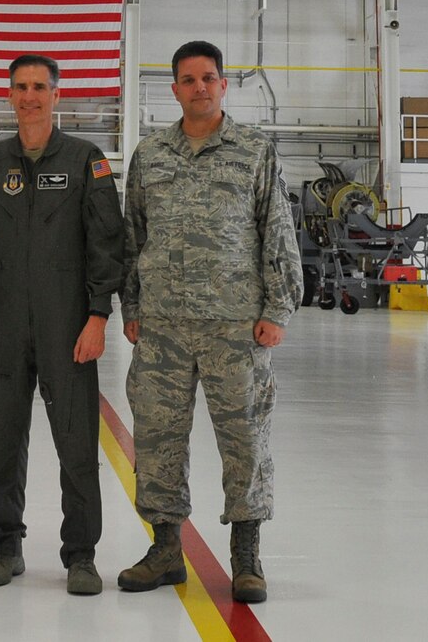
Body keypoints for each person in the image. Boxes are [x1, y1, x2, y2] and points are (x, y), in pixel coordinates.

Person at [117, 40, 298, 604]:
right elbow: (132, 237)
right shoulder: (149, 155)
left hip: (235, 327)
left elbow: (277, 230)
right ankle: (165, 549)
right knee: (156, 437)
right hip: (163, 328)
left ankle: (246, 557)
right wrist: (134, 307)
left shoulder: (254, 150)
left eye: (209, 78)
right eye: (188, 79)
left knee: (244, 438)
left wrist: (277, 309)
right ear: (174, 89)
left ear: (223, 86)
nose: (199, 86)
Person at [0, 54, 125, 596]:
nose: (29, 95)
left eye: (39, 86)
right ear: (9, 96)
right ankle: (3, 547)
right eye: (20, 87)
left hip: (68, 326)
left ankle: (81, 555)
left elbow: (106, 246)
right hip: (5, 326)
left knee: (76, 444)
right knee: (0, 442)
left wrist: (99, 315)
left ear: (57, 94)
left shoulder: (85, 159)